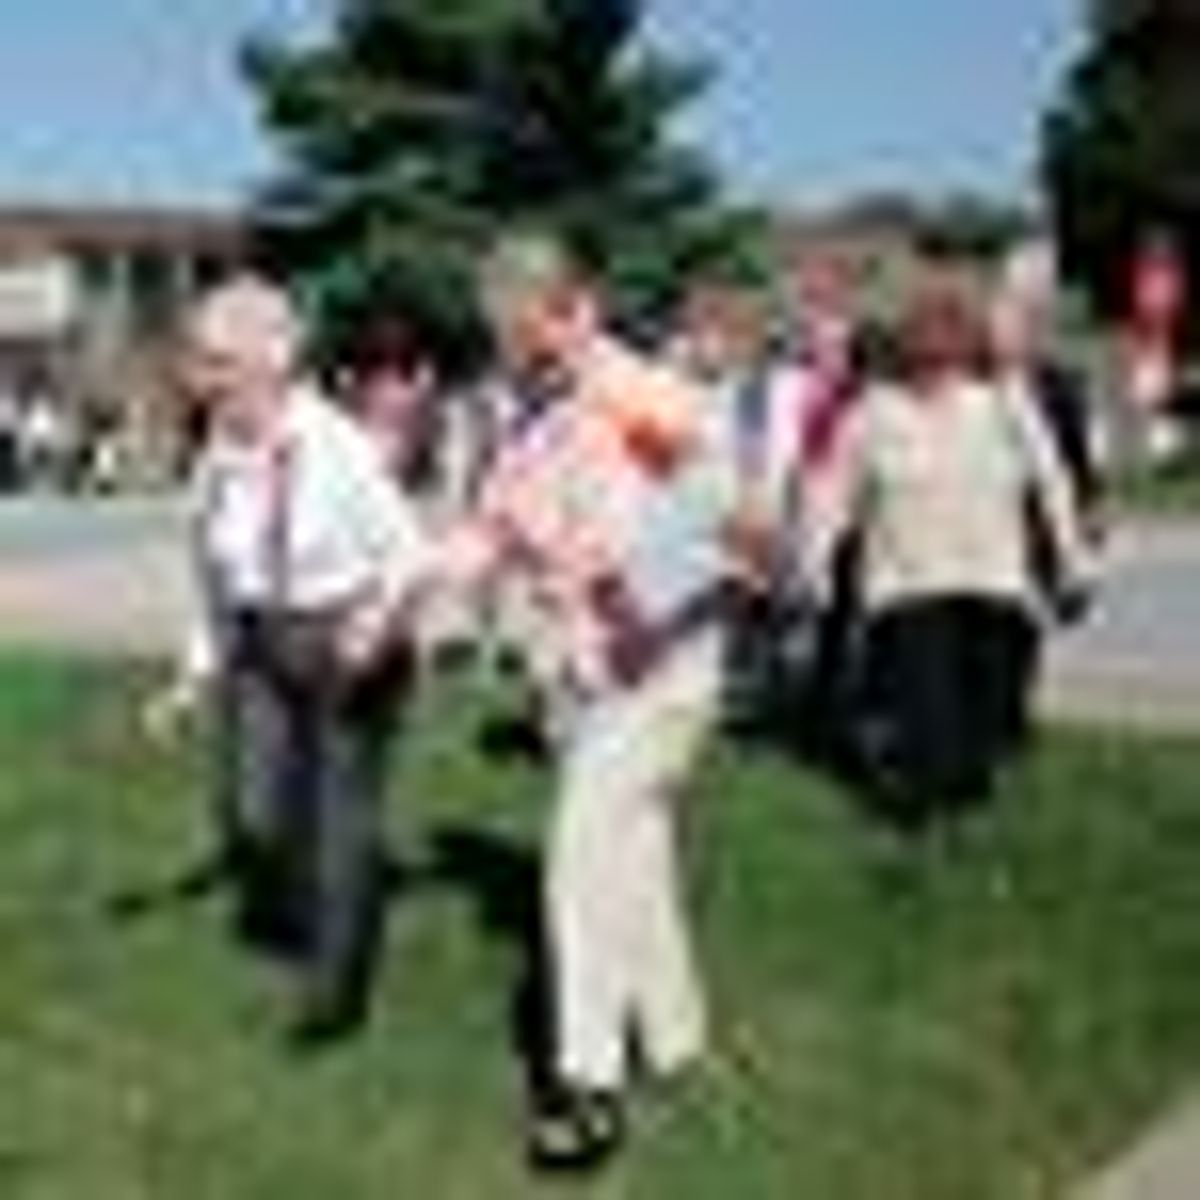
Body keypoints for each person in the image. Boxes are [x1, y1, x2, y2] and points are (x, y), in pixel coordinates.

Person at [444, 234, 744, 1171]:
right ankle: (679, 1042)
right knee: (635, 861)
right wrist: (406, 584)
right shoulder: (531, 416)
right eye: (498, 331)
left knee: (577, 861)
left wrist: (634, 599)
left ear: (569, 310)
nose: (502, 346)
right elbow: (489, 531)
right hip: (578, 678)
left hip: (656, 674)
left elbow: (726, 523)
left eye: (516, 328)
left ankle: (587, 1086)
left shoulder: (636, 399)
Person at [146, 276, 427, 1046]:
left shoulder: (338, 448)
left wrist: (372, 629)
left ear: (265, 362)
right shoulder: (216, 459)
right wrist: (191, 679)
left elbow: (409, 555)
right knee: (252, 812)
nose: (196, 376)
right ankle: (316, 893)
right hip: (265, 647)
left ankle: (333, 997)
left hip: (352, 647)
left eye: (212, 360)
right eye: (198, 360)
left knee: (340, 819)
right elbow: (213, 578)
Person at [807, 276, 1093, 845]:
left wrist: (1073, 559)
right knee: (928, 713)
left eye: (949, 335)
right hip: (907, 586)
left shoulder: (1003, 405)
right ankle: (918, 823)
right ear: (905, 345)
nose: (936, 349)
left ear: (966, 344)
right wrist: (812, 566)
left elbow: (1051, 480)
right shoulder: (871, 413)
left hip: (995, 582)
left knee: (986, 716)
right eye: (923, 337)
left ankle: (963, 796)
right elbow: (831, 494)